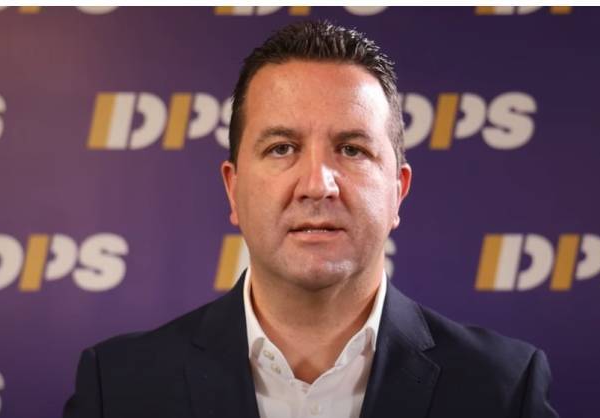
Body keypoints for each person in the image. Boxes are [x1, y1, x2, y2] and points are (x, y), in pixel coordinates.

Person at [64, 20, 558, 418]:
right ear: (233, 188)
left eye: (352, 149)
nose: (318, 184)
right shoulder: (119, 388)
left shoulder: (503, 387)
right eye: (282, 148)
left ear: (397, 191)